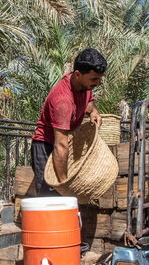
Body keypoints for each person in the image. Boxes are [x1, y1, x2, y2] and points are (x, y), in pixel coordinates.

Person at [30, 48, 106, 197]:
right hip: (46, 146)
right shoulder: (62, 101)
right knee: (51, 197)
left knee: (64, 196)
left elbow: (88, 102)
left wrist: (93, 111)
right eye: (94, 79)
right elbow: (61, 145)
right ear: (77, 74)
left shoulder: (85, 85)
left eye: (99, 79)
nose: (98, 83)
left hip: (62, 146)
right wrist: (64, 184)